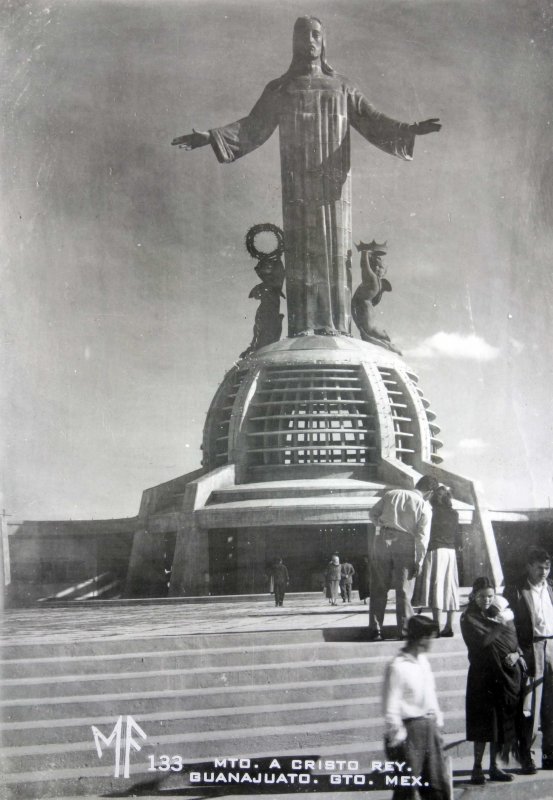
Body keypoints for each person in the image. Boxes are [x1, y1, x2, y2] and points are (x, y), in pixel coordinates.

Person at [172, 16, 441, 337]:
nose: (310, 41)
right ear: (294, 42)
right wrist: (210, 136)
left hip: (334, 188)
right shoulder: (281, 88)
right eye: (303, 35)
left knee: (334, 247)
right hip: (297, 185)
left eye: (316, 35)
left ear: (323, 42)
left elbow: (373, 120)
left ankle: (337, 328)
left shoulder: (342, 87)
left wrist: (409, 130)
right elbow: (253, 126)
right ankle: (303, 328)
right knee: (301, 248)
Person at [460, 577, 525, 784]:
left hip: (501, 676)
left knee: (498, 722)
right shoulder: (468, 617)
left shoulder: (494, 612)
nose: (487, 600)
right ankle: (477, 768)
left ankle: (494, 767)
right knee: (482, 725)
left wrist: (516, 654)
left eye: (490, 596)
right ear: (474, 595)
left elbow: (513, 638)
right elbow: (483, 641)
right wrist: (500, 625)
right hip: (482, 676)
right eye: (482, 596)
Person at [382, 615, 451, 799]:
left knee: (437, 786)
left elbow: (431, 694)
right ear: (420, 638)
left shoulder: (423, 661)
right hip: (408, 732)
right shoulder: (397, 666)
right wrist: (399, 739)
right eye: (429, 637)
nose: (432, 642)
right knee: (407, 790)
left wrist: (437, 723)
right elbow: (391, 706)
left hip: (429, 728)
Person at [368, 475, 438, 640]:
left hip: (382, 540)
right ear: (430, 492)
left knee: (379, 587)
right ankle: (404, 631)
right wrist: (419, 561)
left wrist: (383, 525)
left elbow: (372, 514)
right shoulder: (424, 505)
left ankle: (375, 629)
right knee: (404, 590)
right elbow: (422, 537)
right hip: (405, 542)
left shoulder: (391, 494)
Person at [504, 547, 553, 773]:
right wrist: (517, 651)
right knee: (530, 706)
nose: (544, 572)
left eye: (547, 567)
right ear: (529, 567)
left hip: (552, 645)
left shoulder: (551, 589)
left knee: (551, 706)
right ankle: (527, 755)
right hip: (531, 648)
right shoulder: (516, 591)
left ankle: (550, 752)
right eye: (539, 567)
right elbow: (505, 625)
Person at [413, 485, 461, 637]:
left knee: (437, 588)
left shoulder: (431, 512)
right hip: (450, 552)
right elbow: (458, 535)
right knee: (451, 587)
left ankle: (436, 627)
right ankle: (449, 626)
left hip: (435, 551)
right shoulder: (454, 514)